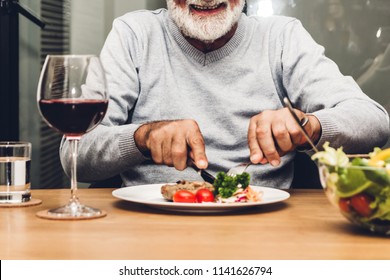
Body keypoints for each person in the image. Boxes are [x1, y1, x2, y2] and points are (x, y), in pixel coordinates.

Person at [60, 0, 389, 189]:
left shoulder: (282, 37)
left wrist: (307, 126)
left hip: (265, 227)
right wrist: (142, 137)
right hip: (149, 226)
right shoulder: (134, 34)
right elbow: (75, 155)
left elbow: (374, 121)